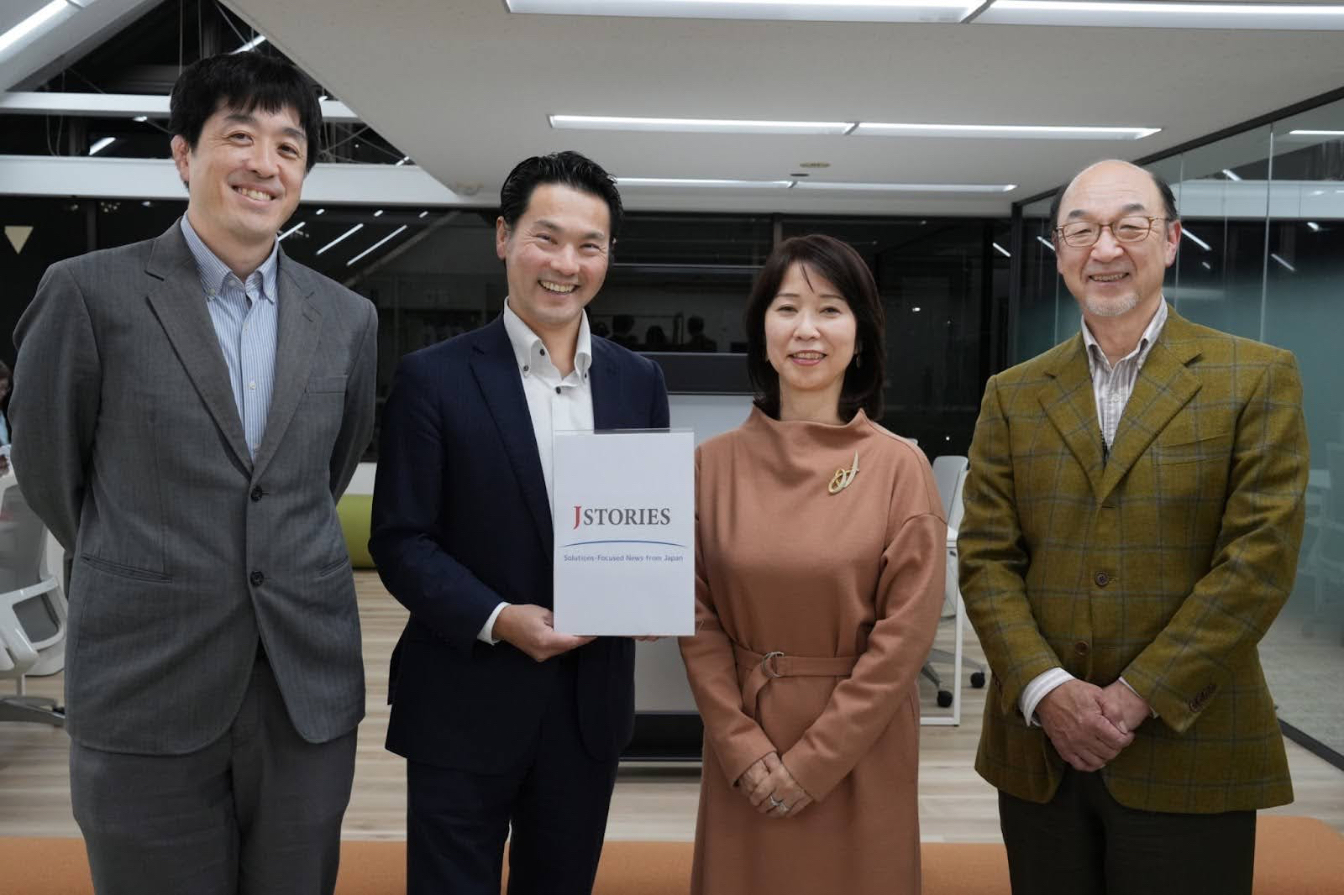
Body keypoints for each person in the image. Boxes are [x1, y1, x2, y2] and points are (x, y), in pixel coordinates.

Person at [10, 53, 377, 895]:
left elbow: (319, 475)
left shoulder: (346, 318)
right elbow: (51, 473)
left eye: (288, 146)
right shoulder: (88, 294)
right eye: (239, 137)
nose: (265, 164)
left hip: (302, 687)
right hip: (146, 677)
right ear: (183, 154)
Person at [958, 160, 1308, 895]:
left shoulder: (1254, 377)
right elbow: (986, 559)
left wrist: (1135, 694)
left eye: (1129, 226)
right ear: (1060, 251)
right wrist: (1047, 689)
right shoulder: (1012, 394)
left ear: (1172, 240)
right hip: (1040, 751)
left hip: (1191, 743)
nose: (1105, 248)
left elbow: (1258, 562)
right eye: (1082, 230)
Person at [369, 150, 669, 895]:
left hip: (588, 707)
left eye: (589, 245)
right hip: (463, 699)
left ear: (608, 256)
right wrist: (500, 618)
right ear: (504, 237)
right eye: (547, 237)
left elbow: (644, 518)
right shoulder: (432, 377)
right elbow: (402, 540)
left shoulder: (638, 381)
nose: (567, 264)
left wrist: (650, 589)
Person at [678, 234, 945, 895]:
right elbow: (695, 619)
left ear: (861, 334)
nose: (807, 329)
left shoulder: (899, 466)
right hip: (746, 743)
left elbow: (905, 639)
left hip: (862, 747)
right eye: (787, 308)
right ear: (761, 330)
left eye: (830, 309)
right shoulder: (709, 465)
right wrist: (741, 747)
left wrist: (815, 762)